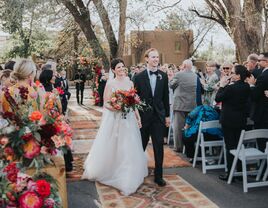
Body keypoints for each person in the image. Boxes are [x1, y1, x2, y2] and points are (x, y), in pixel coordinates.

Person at [82, 58, 148, 195]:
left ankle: (129, 172)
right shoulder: (110, 83)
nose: (122, 69)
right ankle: (112, 170)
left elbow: (134, 101)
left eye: (123, 67)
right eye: (118, 67)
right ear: (113, 70)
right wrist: (117, 107)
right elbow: (106, 103)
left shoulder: (130, 82)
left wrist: (137, 116)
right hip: (115, 118)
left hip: (128, 118)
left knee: (129, 145)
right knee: (114, 144)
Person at [134, 48, 170, 187]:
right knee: (140, 147)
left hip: (158, 118)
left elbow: (166, 97)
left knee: (158, 147)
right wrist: (136, 117)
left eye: (157, 57)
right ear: (146, 59)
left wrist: (167, 116)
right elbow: (135, 98)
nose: (155, 59)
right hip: (143, 118)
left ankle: (159, 176)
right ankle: (137, 173)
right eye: (153, 57)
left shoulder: (163, 75)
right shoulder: (138, 77)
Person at [215, 65, 251, 181]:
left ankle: (230, 172)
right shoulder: (247, 87)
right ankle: (240, 170)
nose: (231, 74)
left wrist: (221, 86)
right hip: (240, 120)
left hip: (229, 120)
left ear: (238, 75)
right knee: (239, 145)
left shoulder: (231, 88)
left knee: (230, 146)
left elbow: (218, 98)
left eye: (233, 72)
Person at [169, 59, 198, 153]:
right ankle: (189, 147)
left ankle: (179, 147)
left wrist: (171, 79)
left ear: (184, 66)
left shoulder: (179, 74)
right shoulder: (195, 76)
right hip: (192, 105)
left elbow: (171, 85)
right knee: (190, 126)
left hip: (180, 105)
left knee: (178, 127)